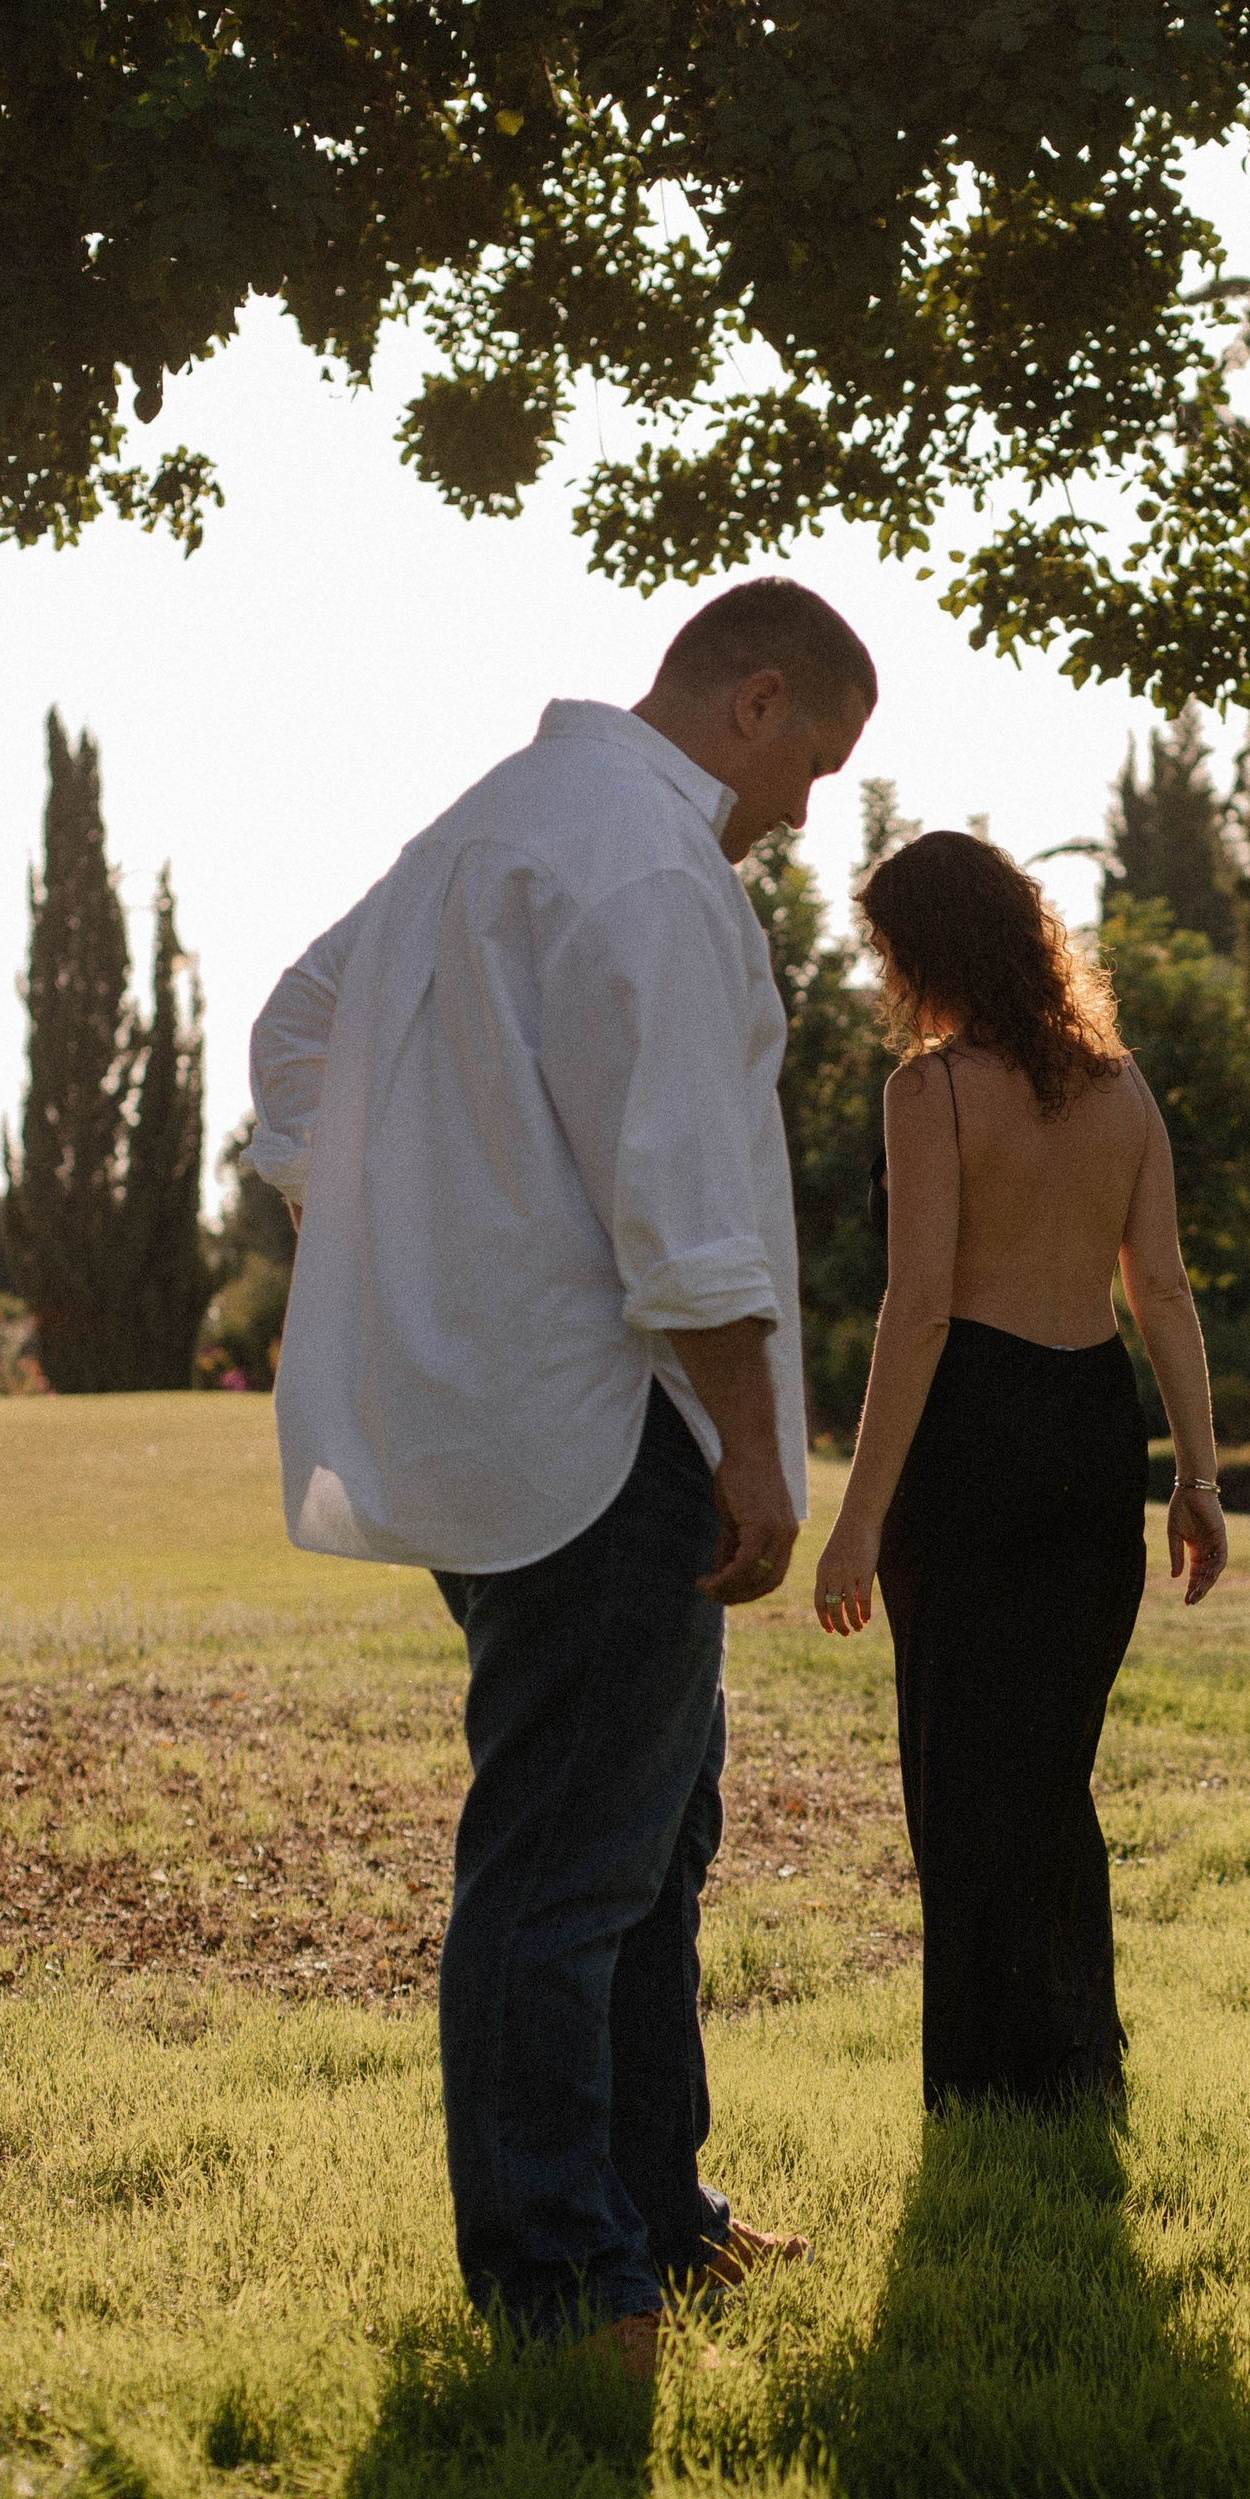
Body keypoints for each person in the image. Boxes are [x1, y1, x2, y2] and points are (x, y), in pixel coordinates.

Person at [244, 575, 875, 2379]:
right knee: (564, 1864)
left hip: (504, 1412)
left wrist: (418, 1228)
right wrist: (760, 1454)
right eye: (812, 763)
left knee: (653, 1836)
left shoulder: (490, 825)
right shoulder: (652, 865)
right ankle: (556, 2282)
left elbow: (296, 1038)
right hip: (614, 1439)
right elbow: (683, 1205)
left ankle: (655, 2214)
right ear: (753, 702)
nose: (803, 813)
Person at [812, 830, 1228, 2110]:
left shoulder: (929, 1091)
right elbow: (1157, 1288)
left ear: (928, 948)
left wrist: (857, 1518)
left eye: (887, 949)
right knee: (1051, 1768)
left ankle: (984, 2085)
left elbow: (919, 1309)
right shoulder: (1120, 1086)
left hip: (973, 1433)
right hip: (1092, 1428)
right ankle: (1073, 2069)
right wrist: (1198, 1477)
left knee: (959, 1768)